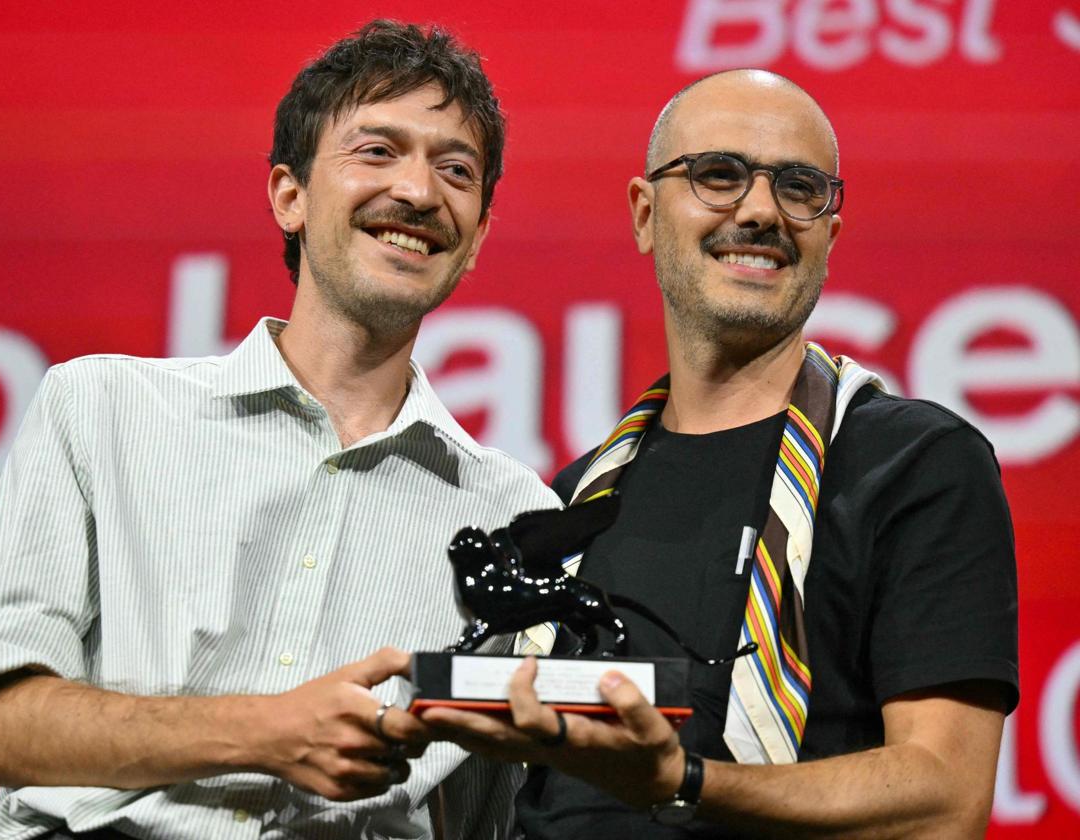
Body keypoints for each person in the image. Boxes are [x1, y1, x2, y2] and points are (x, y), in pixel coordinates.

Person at [0, 20, 559, 840]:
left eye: (456, 170)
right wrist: (268, 730)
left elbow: (482, 820)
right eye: (376, 151)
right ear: (288, 196)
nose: (419, 192)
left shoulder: (516, 517)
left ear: (475, 241)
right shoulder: (100, 409)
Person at [423, 69, 1018, 838]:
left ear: (830, 237)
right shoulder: (571, 507)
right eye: (719, 175)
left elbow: (945, 800)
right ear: (644, 214)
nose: (763, 210)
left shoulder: (916, 465)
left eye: (800, 188)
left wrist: (685, 782)